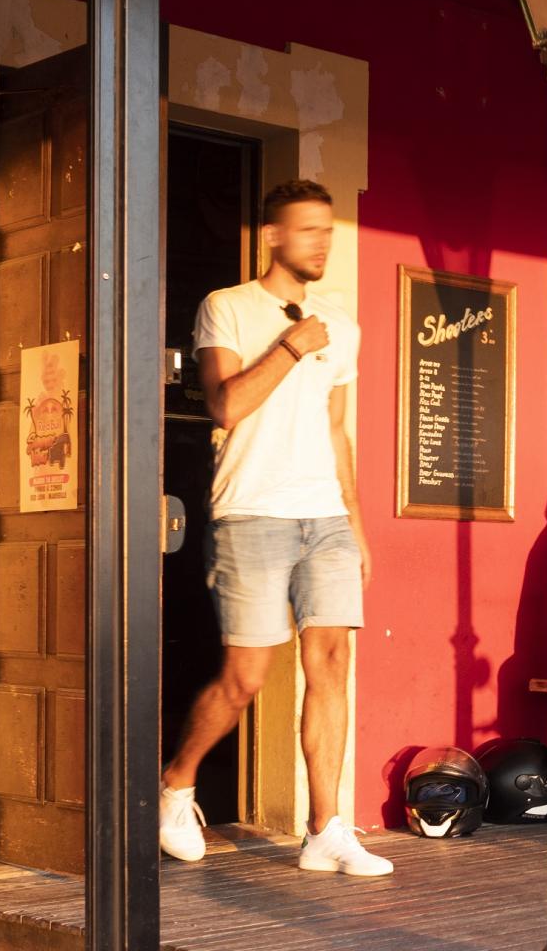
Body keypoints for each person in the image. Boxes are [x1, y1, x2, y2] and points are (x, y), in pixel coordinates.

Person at [161, 180, 391, 875]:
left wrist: (356, 526)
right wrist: (291, 347)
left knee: (332, 666)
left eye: (328, 229)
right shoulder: (226, 307)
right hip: (251, 513)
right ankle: (174, 786)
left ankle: (326, 828)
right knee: (246, 676)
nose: (322, 241)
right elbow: (226, 404)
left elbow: (337, 430)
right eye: (307, 229)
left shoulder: (341, 324)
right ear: (272, 237)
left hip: (324, 517)